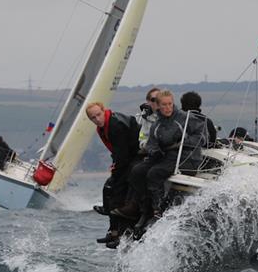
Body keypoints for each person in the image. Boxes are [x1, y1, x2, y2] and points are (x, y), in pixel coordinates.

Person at [116, 89, 207, 232]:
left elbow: (202, 136)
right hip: (166, 155)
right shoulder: (157, 123)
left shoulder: (185, 118)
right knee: (136, 171)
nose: (168, 108)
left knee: (154, 173)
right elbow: (152, 142)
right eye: (164, 105)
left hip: (186, 156)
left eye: (170, 104)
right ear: (158, 106)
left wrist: (184, 141)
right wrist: (154, 150)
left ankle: (158, 209)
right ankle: (145, 209)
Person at [85, 102, 140, 249]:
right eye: (93, 118)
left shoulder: (115, 125)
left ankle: (118, 232)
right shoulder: (103, 127)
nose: (97, 119)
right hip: (126, 159)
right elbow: (118, 152)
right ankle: (112, 229)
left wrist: (116, 169)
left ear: (104, 111)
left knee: (115, 190)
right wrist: (116, 166)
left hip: (135, 158)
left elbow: (123, 153)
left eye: (98, 114)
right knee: (109, 188)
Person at [135, 87, 161, 156]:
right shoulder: (142, 119)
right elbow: (142, 136)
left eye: (159, 98)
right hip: (149, 153)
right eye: (154, 99)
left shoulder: (171, 116)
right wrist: (145, 144)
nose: (157, 102)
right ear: (148, 102)